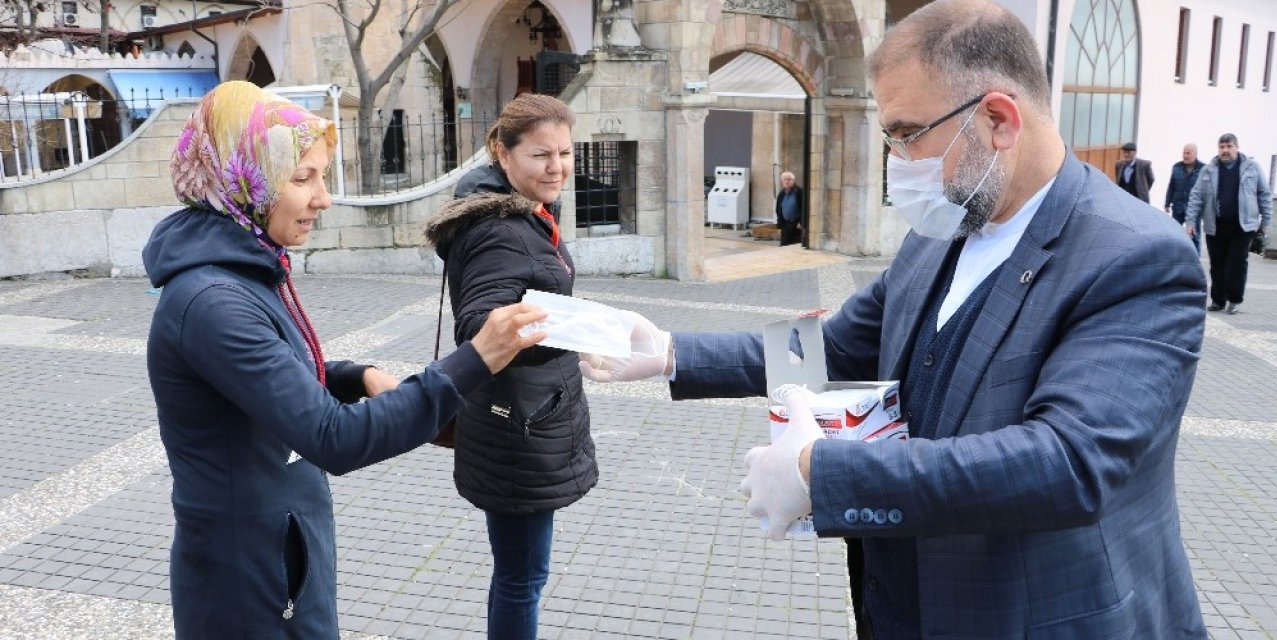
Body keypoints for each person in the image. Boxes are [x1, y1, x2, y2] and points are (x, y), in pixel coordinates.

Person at [580, 2, 1208, 638]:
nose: (896, 161)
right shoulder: (945, 229)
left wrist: (814, 473)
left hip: (1039, 618)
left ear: (998, 119)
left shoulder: (1137, 258)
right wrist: (673, 352)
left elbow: (1067, 463)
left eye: (908, 134)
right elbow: (835, 347)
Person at [144, 81, 547, 639]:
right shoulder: (213, 301)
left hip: (278, 553)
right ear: (244, 179)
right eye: (302, 178)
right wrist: (474, 360)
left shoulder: (243, 267)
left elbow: (279, 374)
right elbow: (335, 438)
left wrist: (359, 376)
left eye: (322, 177)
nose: (323, 198)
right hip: (249, 582)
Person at [424, 93, 595, 640]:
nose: (557, 168)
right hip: (519, 428)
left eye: (565, 153)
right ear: (501, 152)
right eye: (541, 155)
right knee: (522, 578)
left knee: (521, 574)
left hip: (524, 419)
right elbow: (478, 328)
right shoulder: (501, 229)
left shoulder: (520, 210)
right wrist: (573, 332)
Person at [1185, 133, 1273, 315]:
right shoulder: (1209, 169)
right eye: (1221, 147)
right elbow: (1196, 196)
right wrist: (1191, 221)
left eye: (1228, 146)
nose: (1225, 150)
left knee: (1236, 263)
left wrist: (1265, 222)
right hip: (1215, 225)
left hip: (1243, 226)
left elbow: (1264, 194)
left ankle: (1234, 299)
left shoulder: (1252, 167)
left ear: (1237, 147)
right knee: (1217, 264)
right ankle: (1218, 300)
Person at [1165, 143, 1206, 255]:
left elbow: (1206, 190)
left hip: (1194, 210)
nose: (1185, 155)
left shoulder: (1203, 169)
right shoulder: (1176, 167)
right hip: (1178, 207)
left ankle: (1195, 260)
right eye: (1184, 153)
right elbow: (1171, 186)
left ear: (1195, 154)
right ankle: (1176, 258)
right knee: (1175, 234)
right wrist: (1167, 203)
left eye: (1188, 153)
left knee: (1194, 235)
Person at [775, 170, 805, 246]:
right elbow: (778, 210)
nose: (787, 181)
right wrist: (780, 224)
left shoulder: (799, 192)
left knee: (796, 247)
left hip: (797, 226)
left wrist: (802, 222)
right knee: (783, 248)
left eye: (789, 179)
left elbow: (804, 208)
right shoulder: (781, 194)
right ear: (782, 182)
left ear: (793, 181)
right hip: (786, 225)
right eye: (784, 180)